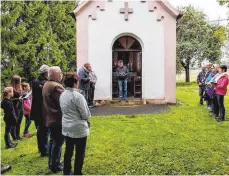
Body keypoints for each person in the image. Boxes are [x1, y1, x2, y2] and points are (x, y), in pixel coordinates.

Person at [60, 72, 91, 175]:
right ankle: (77, 172)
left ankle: (66, 172)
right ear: (75, 83)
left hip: (67, 127)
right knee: (79, 152)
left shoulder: (62, 94)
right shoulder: (78, 96)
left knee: (68, 151)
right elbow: (85, 114)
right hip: (78, 128)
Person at [43, 66, 65, 173]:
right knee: (58, 142)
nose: (61, 74)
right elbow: (63, 103)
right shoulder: (56, 87)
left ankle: (52, 163)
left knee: (53, 141)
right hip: (57, 118)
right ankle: (55, 165)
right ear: (56, 75)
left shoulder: (47, 84)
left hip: (50, 117)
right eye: (60, 72)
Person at [30, 65, 50, 157]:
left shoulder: (35, 82)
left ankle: (41, 148)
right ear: (46, 73)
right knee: (43, 130)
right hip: (41, 110)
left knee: (40, 130)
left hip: (36, 110)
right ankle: (44, 150)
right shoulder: (44, 83)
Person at [9, 75, 23, 141]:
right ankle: (14, 137)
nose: (20, 82)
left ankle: (18, 136)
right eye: (19, 81)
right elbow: (9, 99)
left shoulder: (19, 88)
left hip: (20, 106)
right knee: (15, 122)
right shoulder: (11, 89)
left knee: (19, 122)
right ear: (16, 81)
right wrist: (17, 99)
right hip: (15, 107)